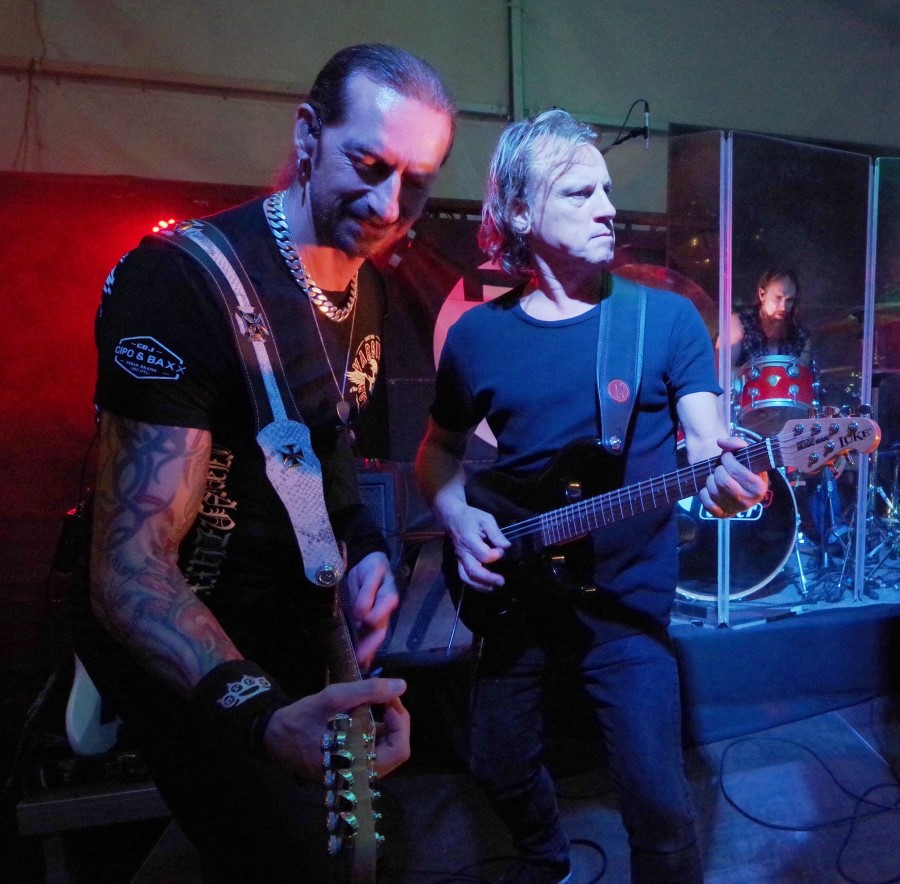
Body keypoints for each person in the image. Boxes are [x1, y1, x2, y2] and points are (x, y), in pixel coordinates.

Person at [69, 44, 456, 881]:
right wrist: (259, 715)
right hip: (183, 631)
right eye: (370, 165)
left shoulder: (367, 287)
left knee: (361, 847)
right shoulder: (181, 282)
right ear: (308, 134)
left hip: (285, 613)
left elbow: (326, 446)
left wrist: (366, 548)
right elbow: (128, 568)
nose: (390, 205)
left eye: (418, 183)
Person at [415, 109, 768, 883]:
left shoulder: (663, 320)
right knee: (497, 764)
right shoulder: (478, 338)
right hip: (515, 594)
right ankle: (547, 859)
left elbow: (706, 443)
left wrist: (725, 483)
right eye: (580, 193)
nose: (609, 207)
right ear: (519, 214)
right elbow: (436, 452)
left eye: (607, 189)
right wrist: (458, 514)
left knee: (660, 806)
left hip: (625, 609)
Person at [719, 268, 811, 368]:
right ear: (762, 295)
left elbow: (803, 375)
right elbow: (721, 371)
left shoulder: (801, 337)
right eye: (778, 298)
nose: (783, 307)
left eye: (789, 300)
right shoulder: (738, 323)